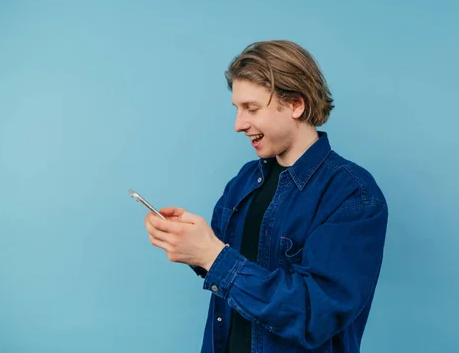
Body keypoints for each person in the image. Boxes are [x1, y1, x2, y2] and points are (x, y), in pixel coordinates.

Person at [144, 40, 388, 353]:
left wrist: (212, 256)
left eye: (252, 109)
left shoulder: (353, 195)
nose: (238, 124)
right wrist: (188, 240)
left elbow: (314, 315)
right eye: (237, 109)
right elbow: (223, 268)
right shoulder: (245, 181)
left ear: (296, 105)